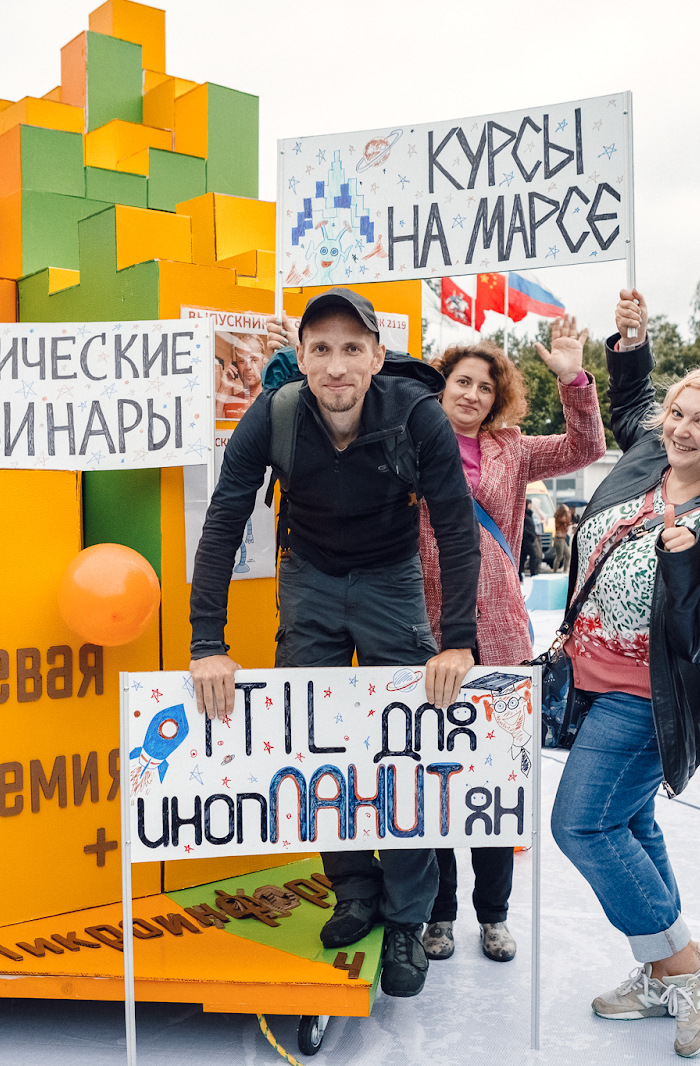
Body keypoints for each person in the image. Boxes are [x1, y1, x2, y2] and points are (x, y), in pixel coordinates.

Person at [188, 287, 480, 999]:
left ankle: (406, 917)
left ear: (377, 356)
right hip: (310, 578)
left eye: (352, 348)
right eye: (321, 349)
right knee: (314, 742)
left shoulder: (418, 414)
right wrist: (206, 643)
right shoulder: (274, 413)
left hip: (391, 580)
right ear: (301, 356)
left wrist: (457, 640)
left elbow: (454, 525)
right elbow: (224, 521)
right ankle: (353, 889)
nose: (337, 365)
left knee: (408, 750)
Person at [549, 289, 700, 1059]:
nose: (681, 429)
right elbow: (635, 402)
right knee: (630, 822)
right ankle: (660, 970)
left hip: (651, 692)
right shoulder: (649, 455)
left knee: (582, 825)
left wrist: (687, 565)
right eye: (679, 413)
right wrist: (630, 344)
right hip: (590, 673)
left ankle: (690, 967)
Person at [416, 319, 607, 965]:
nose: (472, 395)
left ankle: (493, 915)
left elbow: (586, 446)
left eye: (485, 388)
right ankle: (439, 913)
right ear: (441, 386)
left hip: (498, 629)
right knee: (432, 780)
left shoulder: (513, 448)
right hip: (423, 628)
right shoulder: (409, 440)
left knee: (494, 781)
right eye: (462, 382)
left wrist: (573, 378)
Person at [520, 501, 542, 575]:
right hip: (527, 539)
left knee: (523, 557)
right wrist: (530, 534)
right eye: (529, 505)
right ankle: (532, 573)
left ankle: (521, 573)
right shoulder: (524, 516)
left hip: (530, 538)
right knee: (533, 555)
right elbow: (524, 528)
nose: (530, 506)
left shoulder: (530, 514)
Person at [552, 503, 573, 572]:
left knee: (567, 555)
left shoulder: (561, 516)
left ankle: (565, 570)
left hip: (562, 538)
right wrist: (568, 511)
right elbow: (567, 520)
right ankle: (555, 572)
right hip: (559, 538)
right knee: (559, 556)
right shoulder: (560, 517)